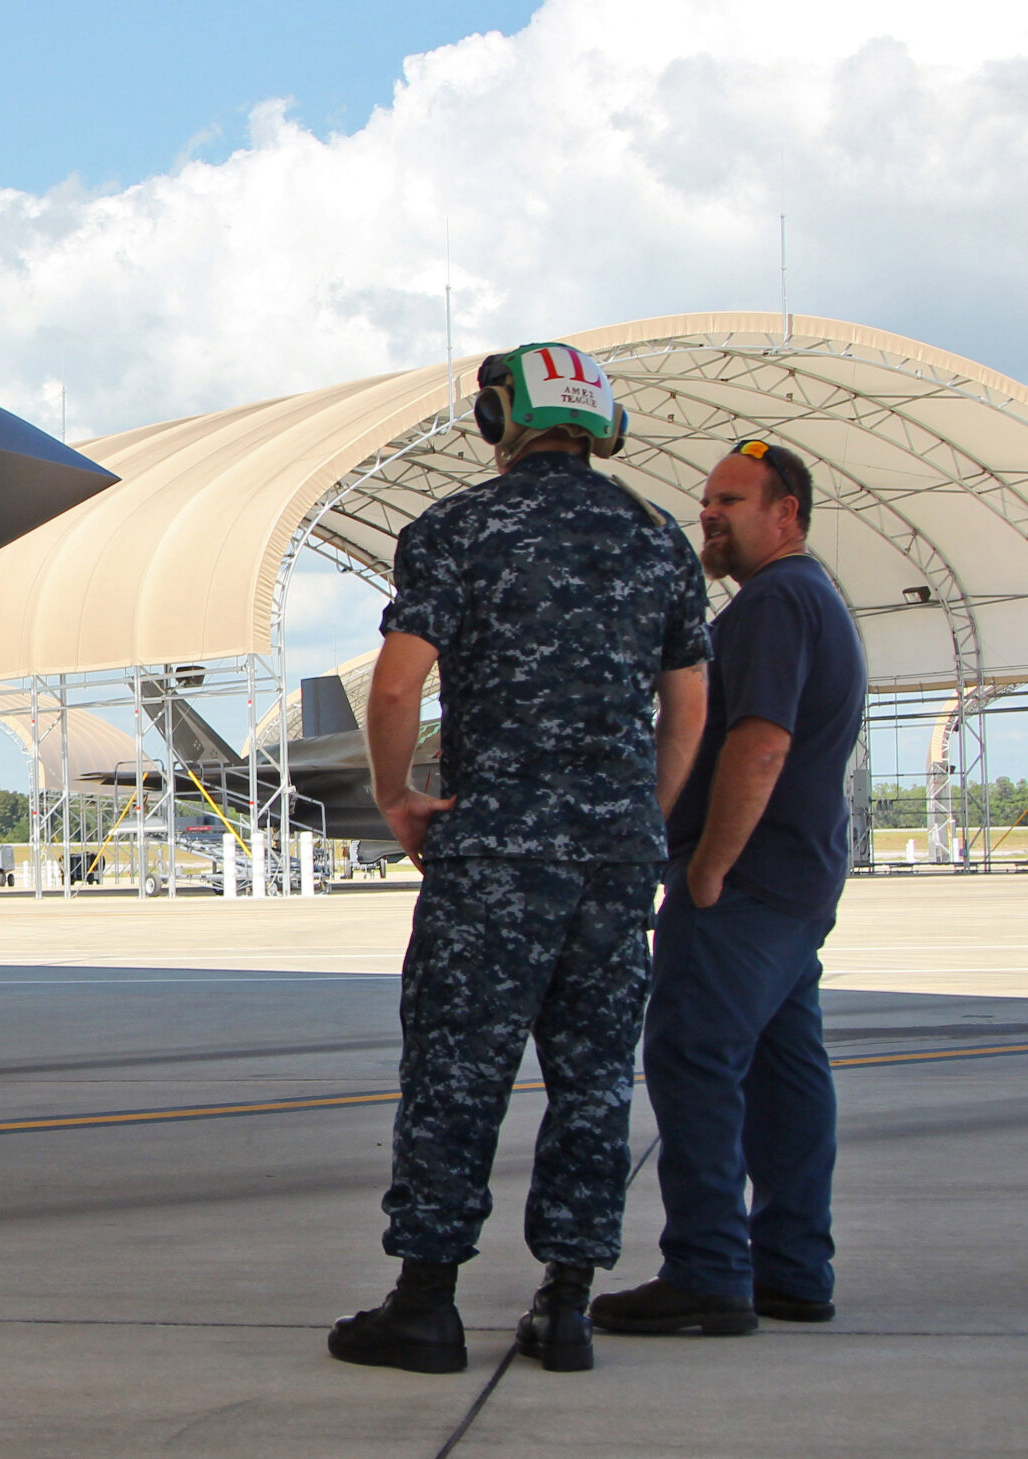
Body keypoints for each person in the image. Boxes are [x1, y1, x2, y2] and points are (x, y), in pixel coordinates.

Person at [330, 343, 709, 1377]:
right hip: (612, 859)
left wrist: (399, 798)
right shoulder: (657, 538)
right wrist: (643, 813)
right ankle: (569, 1304)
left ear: (504, 421)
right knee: (591, 1082)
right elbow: (687, 704)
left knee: (456, 1075)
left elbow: (399, 685)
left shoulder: (456, 529)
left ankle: (425, 1304)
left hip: (495, 852)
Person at [593, 441, 864, 1337]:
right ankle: (792, 1266)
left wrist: (707, 864)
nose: (711, 514)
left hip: (746, 881)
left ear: (786, 512)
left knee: (693, 1055)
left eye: (734, 501)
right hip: (797, 876)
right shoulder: (810, 596)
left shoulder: (779, 603)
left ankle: (708, 1267)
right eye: (708, 500)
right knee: (787, 1070)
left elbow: (761, 741)